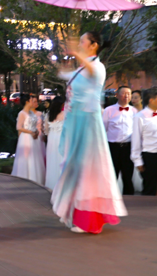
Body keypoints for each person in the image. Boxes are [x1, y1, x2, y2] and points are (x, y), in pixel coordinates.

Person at [51, 31, 126, 234]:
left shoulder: (97, 67)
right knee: (76, 168)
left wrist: (76, 53)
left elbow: (93, 71)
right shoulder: (82, 69)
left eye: (83, 41)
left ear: (93, 45)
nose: (81, 43)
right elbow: (63, 75)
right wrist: (61, 63)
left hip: (88, 124)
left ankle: (89, 219)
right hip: (76, 123)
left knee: (88, 170)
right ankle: (78, 214)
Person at [102, 85, 138, 195]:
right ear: (117, 95)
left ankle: (129, 201)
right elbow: (103, 129)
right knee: (112, 176)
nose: (126, 96)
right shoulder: (109, 110)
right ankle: (110, 199)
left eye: (129, 94)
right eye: (124, 93)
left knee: (128, 176)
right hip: (113, 147)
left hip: (128, 147)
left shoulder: (134, 111)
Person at [11, 93, 46, 186]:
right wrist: (30, 132)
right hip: (26, 137)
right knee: (26, 157)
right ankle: (25, 178)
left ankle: (35, 179)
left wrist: (36, 132)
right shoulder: (21, 113)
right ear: (27, 102)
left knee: (34, 157)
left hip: (33, 137)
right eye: (31, 100)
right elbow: (18, 127)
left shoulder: (31, 113)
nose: (32, 102)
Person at [131, 87, 157, 195]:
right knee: (150, 188)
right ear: (151, 100)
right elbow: (136, 140)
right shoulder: (139, 117)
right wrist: (137, 160)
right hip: (150, 157)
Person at [44, 95, 66, 191]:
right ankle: (61, 186)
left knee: (52, 161)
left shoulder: (48, 115)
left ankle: (51, 185)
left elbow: (46, 130)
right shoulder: (65, 114)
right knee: (61, 160)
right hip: (61, 139)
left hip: (51, 139)